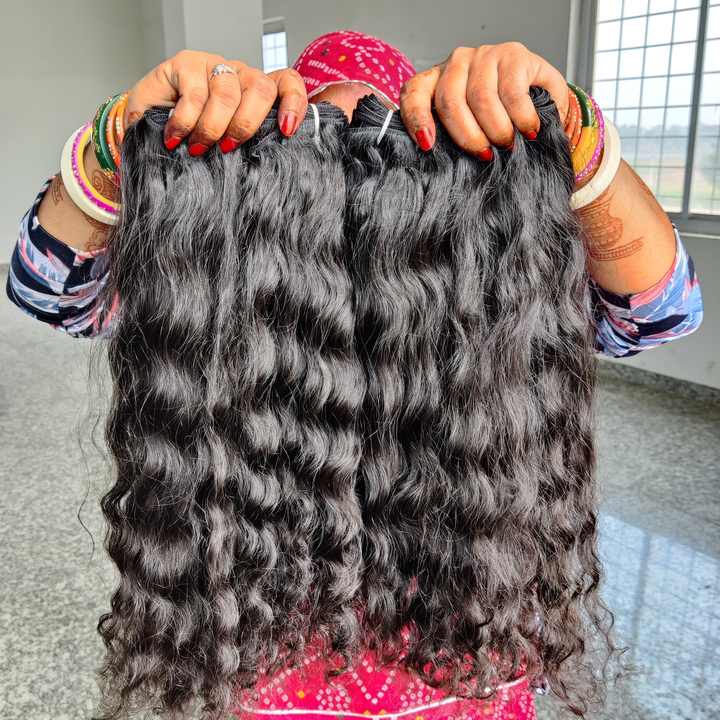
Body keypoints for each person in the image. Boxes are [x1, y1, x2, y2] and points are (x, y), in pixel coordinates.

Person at [5, 29, 703, 720]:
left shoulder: (484, 279)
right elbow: (49, 291)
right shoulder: (230, 282)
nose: (351, 183)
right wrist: (114, 140)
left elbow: (660, 313)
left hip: (465, 646)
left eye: (370, 143)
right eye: (325, 145)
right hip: (268, 644)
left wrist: (577, 136)